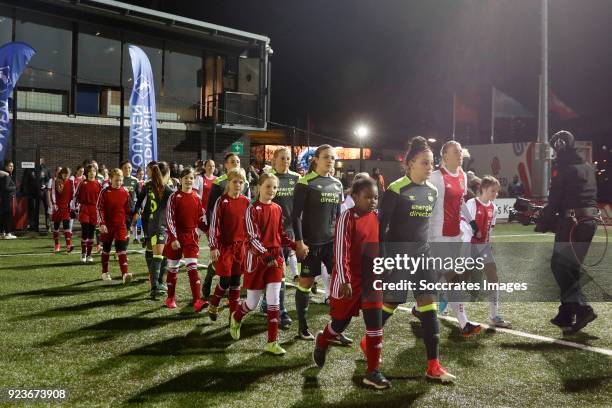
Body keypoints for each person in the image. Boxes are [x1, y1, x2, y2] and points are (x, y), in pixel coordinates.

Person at [378, 136, 455, 382]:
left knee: (429, 308)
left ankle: (433, 366)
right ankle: (370, 338)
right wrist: (385, 260)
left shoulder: (432, 192)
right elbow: (381, 230)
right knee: (391, 303)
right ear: (410, 163)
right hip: (399, 257)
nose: (429, 166)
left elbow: (425, 227)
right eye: (424, 162)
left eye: (431, 162)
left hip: (423, 257)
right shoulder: (395, 190)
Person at [313, 177, 390, 389]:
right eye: (368, 197)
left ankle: (372, 372)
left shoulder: (377, 217)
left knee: (375, 324)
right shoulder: (347, 217)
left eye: (375, 197)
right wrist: (345, 279)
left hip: (371, 279)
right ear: (354, 197)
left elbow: (380, 245)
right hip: (349, 280)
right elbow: (341, 251)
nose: (373, 201)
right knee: (339, 324)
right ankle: (322, 339)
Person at [536, 130, 599, 333]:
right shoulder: (587, 167)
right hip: (589, 222)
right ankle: (566, 313)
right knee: (570, 267)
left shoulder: (563, 168)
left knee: (560, 265)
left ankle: (582, 308)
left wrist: (542, 222)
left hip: (572, 222)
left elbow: (555, 201)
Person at [229, 173, 296, 355]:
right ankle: (237, 316)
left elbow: (280, 234)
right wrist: (266, 256)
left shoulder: (277, 208)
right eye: (268, 186)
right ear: (259, 187)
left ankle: (272, 342)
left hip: (274, 258)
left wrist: (293, 244)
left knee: (274, 299)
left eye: (275, 187)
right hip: (257, 259)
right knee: (252, 302)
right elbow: (252, 238)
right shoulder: (252, 209)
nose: (272, 191)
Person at [292, 144, 346, 342]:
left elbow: (338, 215)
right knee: (306, 282)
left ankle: (336, 328)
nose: (330, 161)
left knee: (339, 283)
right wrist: (300, 241)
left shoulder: (337, 184)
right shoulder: (305, 183)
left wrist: (341, 240)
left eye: (332, 158)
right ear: (315, 159)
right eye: (326, 157)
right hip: (311, 243)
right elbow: (295, 215)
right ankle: (303, 328)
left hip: (332, 243)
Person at [427, 141, 481, 336]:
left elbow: (461, 203)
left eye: (460, 152)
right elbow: (427, 205)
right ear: (445, 156)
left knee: (437, 276)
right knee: (452, 277)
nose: (460, 155)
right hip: (437, 234)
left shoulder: (463, 176)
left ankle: (419, 306)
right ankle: (464, 323)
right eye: (455, 152)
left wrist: (472, 223)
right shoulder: (435, 178)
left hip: (454, 234)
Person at [460, 175, 511, 328]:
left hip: (484, 248)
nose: (495, 194)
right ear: (483, 189)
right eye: (492, 191)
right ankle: (445, 303)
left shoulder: (493, 208)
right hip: (468, 247)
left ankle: (494, 316)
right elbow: (463, 224)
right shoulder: (471, 203)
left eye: (497, 192)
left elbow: (490, 230)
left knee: (493, 280)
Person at [202, 153, 249, 302]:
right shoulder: (219, 182)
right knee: (223, 268)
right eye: (232, 161)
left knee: (234, 273)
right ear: (226, 165)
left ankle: (232, 300)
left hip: (239, 236)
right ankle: (211, 274)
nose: (236, 163)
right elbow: (211, 208)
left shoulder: (245, 182)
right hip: (222, 233)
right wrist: (212, 232)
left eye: (238, 161)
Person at [163, 167, 207, 312]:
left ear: (194, 180)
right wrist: (174, 238)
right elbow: (169, 220)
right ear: (181, 180)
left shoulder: (197, 197)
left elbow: (200, 219)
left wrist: (208, 231)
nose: (189, 180)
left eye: (191, 178)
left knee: (192, 268)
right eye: (186, 177)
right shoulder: (174, 197)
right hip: (176, 237)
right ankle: (170, 298)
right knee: (173, 268)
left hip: (191, 237)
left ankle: (197, 301)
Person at [139, 162, 174, 299]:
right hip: (159, 225)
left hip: (151, 223)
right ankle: (155, 286)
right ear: (167, 173)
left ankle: (158, 282)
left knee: (159, 254)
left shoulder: (151, 185)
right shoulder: (165, 188)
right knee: (159, 256)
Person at [97, 168, 133, 283]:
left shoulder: (125, 192)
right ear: (110, 179)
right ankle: (105, 272)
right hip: (107, 226)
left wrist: (133, 216)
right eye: (117, 180)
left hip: (120, 225)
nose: (119, 183)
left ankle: (125, 274)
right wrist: (102, 223)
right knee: (106, 249)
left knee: (122, 249)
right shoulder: (104, 192)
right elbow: (99, 208)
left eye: (121, 180)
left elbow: (128, 209)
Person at [74, 164, 101, 263]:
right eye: (89, 171)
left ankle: (89, 255)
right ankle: (83, 254)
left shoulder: (99, 184)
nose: (91, 173)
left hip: (94, 210)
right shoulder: (82, 183)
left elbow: (101, 199)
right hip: (84, 209)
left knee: (91, 233)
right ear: (87, 172)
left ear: (95, 172)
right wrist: (75, 208)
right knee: (85, 232)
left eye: (93, 171)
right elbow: (76, 196)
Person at [51, 167, 75, 252]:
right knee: (56, 226)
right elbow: (53, 193)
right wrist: (54, 204)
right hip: (58, 206)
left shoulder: (71, 182)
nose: (66, 176)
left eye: (67, 175)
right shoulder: (56, 181)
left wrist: (72, 206)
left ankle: (68, 245)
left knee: (66, 225)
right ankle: (57, 244)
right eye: (65, 174)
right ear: (61, 174)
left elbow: (73, 195)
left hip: (66, 207)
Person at [0, 161, 17, 239]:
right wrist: (14, 187)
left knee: (5, 216)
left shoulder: (7, 175)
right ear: (6, 167)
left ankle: (3, 232)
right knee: (8, 215)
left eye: (12, 166)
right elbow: (5, 188)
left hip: (7, 199)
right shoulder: (6, 176)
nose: (12, 168)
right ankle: (7, 233)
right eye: (10, 166)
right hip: (8, 199)